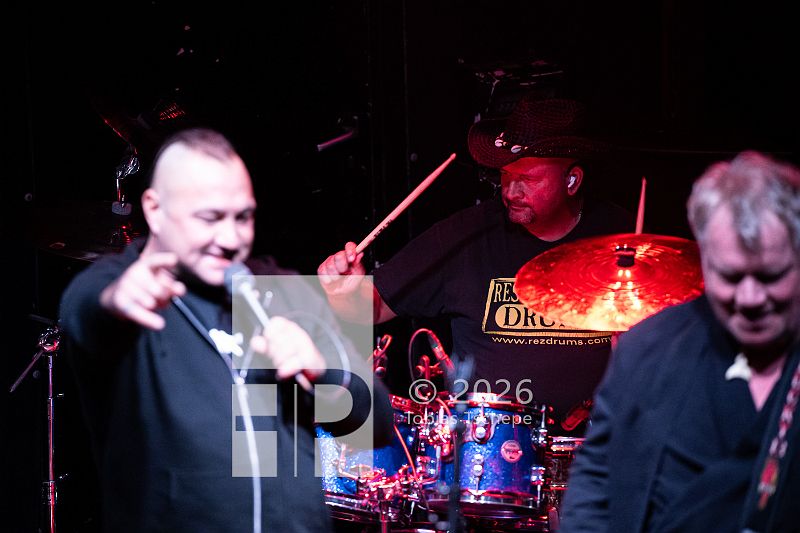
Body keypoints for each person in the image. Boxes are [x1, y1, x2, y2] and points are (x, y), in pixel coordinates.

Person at [59, 127, 392, 532]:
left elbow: (375, 424)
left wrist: (323, 371)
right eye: (209, 217)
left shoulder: (281, 291)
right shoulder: (123, 286)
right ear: (155, 209)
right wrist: (116, 302)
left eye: (243, 217)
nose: (230, 238)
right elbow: (84, 313)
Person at [317, 94, 634, 429]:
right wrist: (345, 292)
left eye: (528, 179)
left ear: (571, 181)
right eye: (506, 175)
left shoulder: (625, 239)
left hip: (598, 443)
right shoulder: (463, 235)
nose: (511, 191)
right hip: (484, 443)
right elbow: (372, 309)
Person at [558, 151, 800, 533]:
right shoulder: (648, 348)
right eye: (730, 277)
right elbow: (596, 480)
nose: (750, 298)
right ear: (704, 259)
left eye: (771, 276)